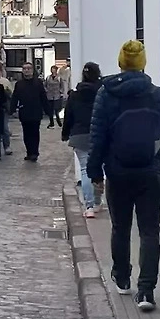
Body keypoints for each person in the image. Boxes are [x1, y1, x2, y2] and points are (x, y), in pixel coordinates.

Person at [87, 40, 160, 312]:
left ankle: (122, 277)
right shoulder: (157, 95)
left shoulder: (106, 94)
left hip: (118, 172)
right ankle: (146, 291)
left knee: (120, 227)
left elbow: (97, 137)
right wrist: (157, 160)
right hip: (150, 173)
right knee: (149, 231)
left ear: (120, 63)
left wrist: (95, 172)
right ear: (143, 63)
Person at [62, 62, 103, 217]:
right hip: (98, 134)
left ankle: (89, 206)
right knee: (99, 169)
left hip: (79, 135)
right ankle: (97, 202)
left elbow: (68, 116)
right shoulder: (102, 92)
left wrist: (65, 133)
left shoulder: (75, 94)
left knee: (86, 169)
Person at [10, 62, 49, 162]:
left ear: (32, 70)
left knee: (35, 132)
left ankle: (34, 152)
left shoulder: (38, 83)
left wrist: (48, 110)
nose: (26, 70)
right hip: (24, 111)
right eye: (24, 69)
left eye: (28, 68)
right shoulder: (19, 84)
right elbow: (15, 97)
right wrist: (12, 109)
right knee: (26, 133)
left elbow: (43, 97)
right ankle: (29, 152)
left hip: (36, 111)